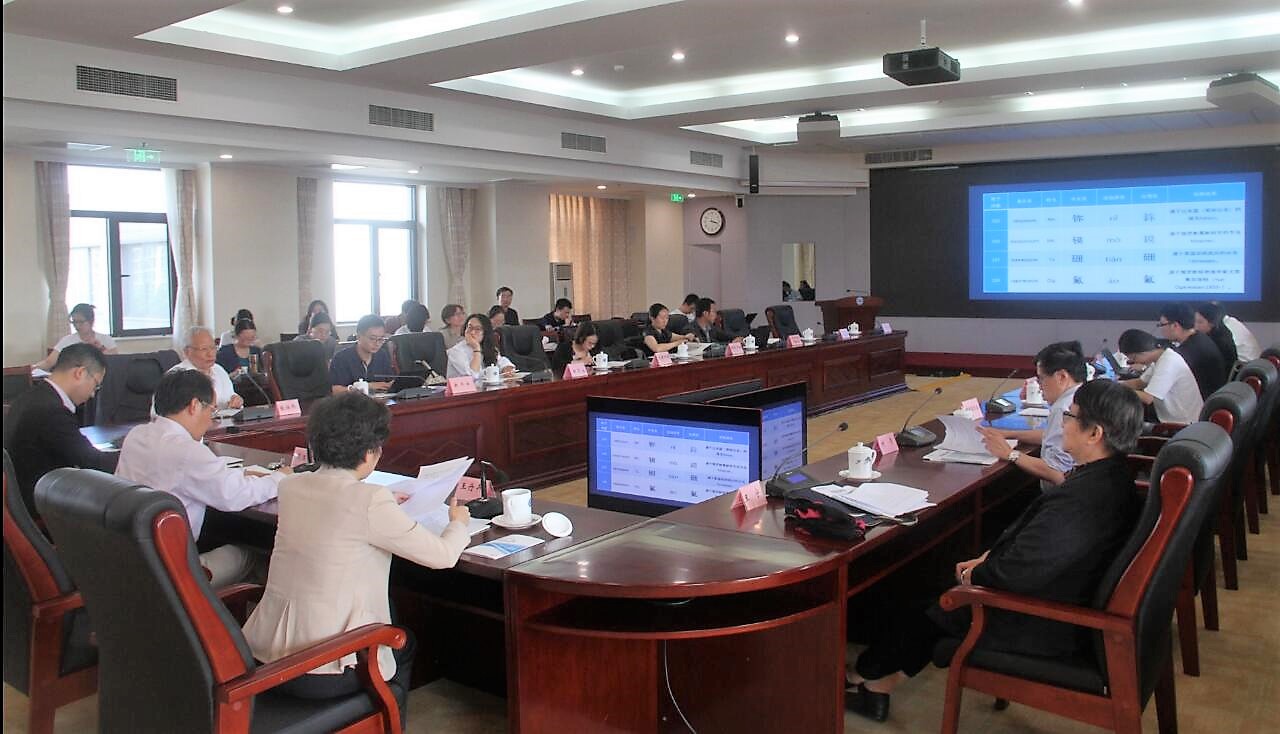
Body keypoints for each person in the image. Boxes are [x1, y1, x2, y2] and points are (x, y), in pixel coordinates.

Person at [844, 379, 1143, 723]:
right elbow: (1042, 551)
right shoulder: (1111, 477)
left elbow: (1019, 572)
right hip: (1060, 595)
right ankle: (878, 682)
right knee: (939, 587)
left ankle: (864, 673)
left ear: (1094, 433)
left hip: (1040, 623)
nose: (1062, 424)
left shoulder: (1083, 500)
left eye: (1069, 416)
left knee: (935, 596)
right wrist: (989, 558)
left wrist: (978, 573)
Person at [243, 392, 470, 701]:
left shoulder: (291, 486)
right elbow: (442, 556)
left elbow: (335, 508)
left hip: (264, 656)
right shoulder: (369, 500)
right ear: (369, 453)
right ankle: (384, 718)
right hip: (323, 668)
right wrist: (458, 523)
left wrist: (384, 505)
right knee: (404, 642)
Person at [116, 370, 287, 587]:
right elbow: (235, 496)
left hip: (133, 558)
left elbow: (188, 477)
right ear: (194, 405)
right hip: (171, 573)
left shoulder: (137, 435)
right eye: (212, 410)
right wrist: (281, 477)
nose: (210, 420)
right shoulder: (186, 450)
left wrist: (239, 475)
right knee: (257, 553)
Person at [3, 344, 118, 517]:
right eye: (96, 386)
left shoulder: (28, 397)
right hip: (39, 506)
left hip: (19, 499)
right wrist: (135, 454)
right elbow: (93, 462)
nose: (93, 394)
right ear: (80, 373)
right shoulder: (52, 411)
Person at [977, 341, 1084, 489]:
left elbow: (1058, 473)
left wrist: (1009, 453)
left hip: (1064, 496)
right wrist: (1008, 434)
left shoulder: (1064, 408)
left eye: (1041, 378)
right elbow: (1052, 435)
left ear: (1061, 377)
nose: (1039, 386)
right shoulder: (1081, 394)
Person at [1117, 329, 1203, 425]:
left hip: (1183, 423)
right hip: (1172, 417)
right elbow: (1140, 383)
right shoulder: (1161, 357)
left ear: (1143, 352)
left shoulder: (1168, 362)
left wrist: (1117, 390)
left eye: (1133, 358)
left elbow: (1148, 398)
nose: (1135, 362)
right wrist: (1116, 384)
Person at [1157, 303, 1226, 398]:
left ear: (1175, 325)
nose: (1160, 329)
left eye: (1162, 324)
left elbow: (1162, 381)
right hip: (1210, 396)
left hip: (1202, 400)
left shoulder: (1189, 351)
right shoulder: (1199, 337)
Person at [32, 302, 118, 371]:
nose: (77, 326)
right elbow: (49, 362)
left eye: (80, 322)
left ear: (91, 321)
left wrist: (101, 348)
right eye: (74, 322)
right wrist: (33, 367)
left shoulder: (105, 339)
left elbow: (115, 360)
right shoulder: (67, 340)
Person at [173, 326, 243, 409]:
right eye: (204, 349)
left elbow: (231, 396)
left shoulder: (219, 370)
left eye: (213, 348)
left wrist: (237, 400)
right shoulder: (177, 377)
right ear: (187, 351)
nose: (210, 354)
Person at [329, 315, 393, 394]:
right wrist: (366, 386)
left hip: (380, 400)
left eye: (381, 339)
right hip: (351, 400)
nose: (377, 343)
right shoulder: (341, 358)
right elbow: (333, 390)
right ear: (359, 336)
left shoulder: (382, 355)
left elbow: (389, 381)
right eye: (372, 338)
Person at [446, 314, 516, 379]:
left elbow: (501, 360)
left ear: (485, 332)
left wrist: (507, 367)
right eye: (470, 327)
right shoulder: (456, 351)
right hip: (464, 388)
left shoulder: (486, 346)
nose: (472, 332)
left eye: (477, 329)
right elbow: (473, 376)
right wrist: (476, 348)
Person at [1194, 302, 1239, 371]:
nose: (1195, 326)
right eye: (1194, 321)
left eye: (1200, 322)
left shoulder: (1219, 341)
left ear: (1212, 323)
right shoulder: (1220, 330)